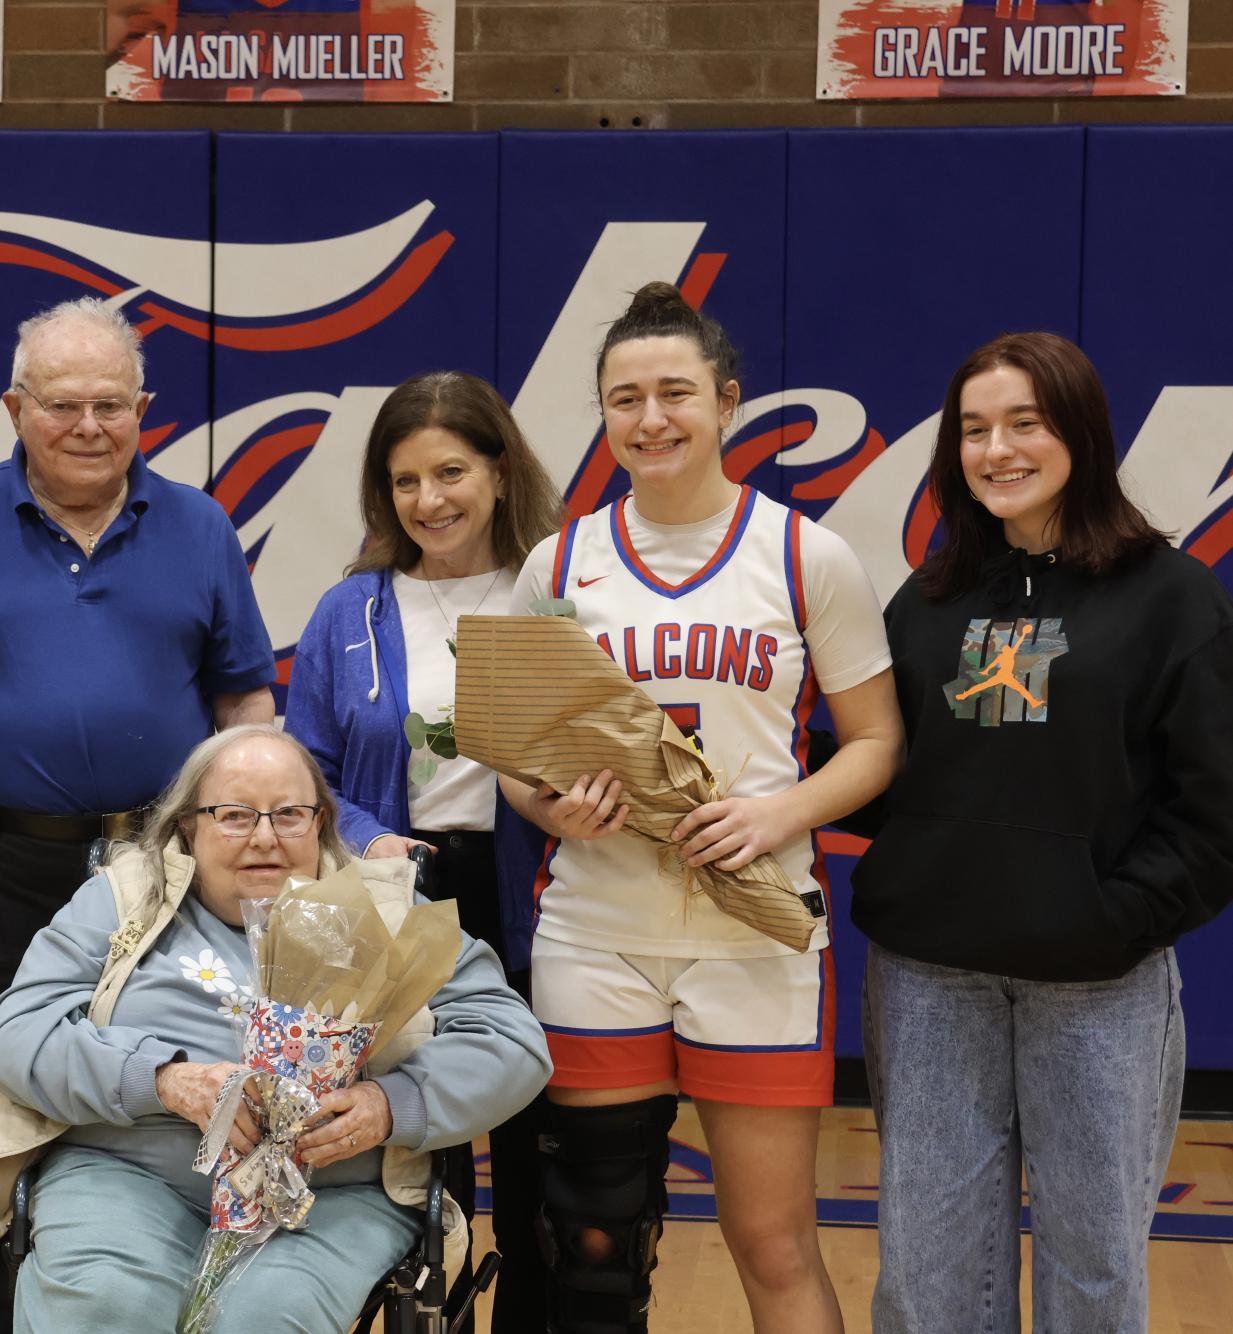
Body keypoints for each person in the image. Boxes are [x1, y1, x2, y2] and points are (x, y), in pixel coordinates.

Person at [503, 282, 902, 1333]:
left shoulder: (806, 554)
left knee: (772, 1242)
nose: (651, 418)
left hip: (755, 934)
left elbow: (876, 742)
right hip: (597, 935)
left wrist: (780, 814)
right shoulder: (558, 563)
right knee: (594, 1239)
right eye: (624, 397)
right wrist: (556, 809)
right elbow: (512, 760)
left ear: (728, 401)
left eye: (675, 391)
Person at [0, 296, 277, 1333]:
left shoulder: (197, 524)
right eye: (63, 404)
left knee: (161, 1111)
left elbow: (246, 700)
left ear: (144, 409)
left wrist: (250, 842)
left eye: (112, 403)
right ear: (16, 407)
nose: (89, 425)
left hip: (162, 878)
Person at [849, 331, 1233, 1333]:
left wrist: (1114, 919)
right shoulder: (927, 598)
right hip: (932, 979)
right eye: (975, 429)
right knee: (928, 1274)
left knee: (1095, 1268)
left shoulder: (1171, 594)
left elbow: (1216, 804)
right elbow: (873, 767)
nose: (997, 448)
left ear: (1081, 432)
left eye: (1026, 421)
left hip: (1097, 987)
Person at [0, 725, 552, 1332]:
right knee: (105, 1305)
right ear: (188, 824)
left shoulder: (389, 915)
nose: (265, 837)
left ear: (321, 822)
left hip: (330, 1196)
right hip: (127, 1174)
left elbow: (512, 1043)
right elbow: (18, 1032)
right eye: (235, 815)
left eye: (289, 814)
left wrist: (389, 1105)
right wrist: (162, 1080)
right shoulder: (125, 897)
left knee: (262, 1321)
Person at [282, 368, 558, 1330]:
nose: (429, 500)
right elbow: (303, 771)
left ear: (497, 470)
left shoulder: (555, 588)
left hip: (538, 892)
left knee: (540, 1150)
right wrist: (363, 836)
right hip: (397, 896)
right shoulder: (345, 610)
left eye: (450, 472)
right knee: (414, 1152)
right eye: (404, 482)